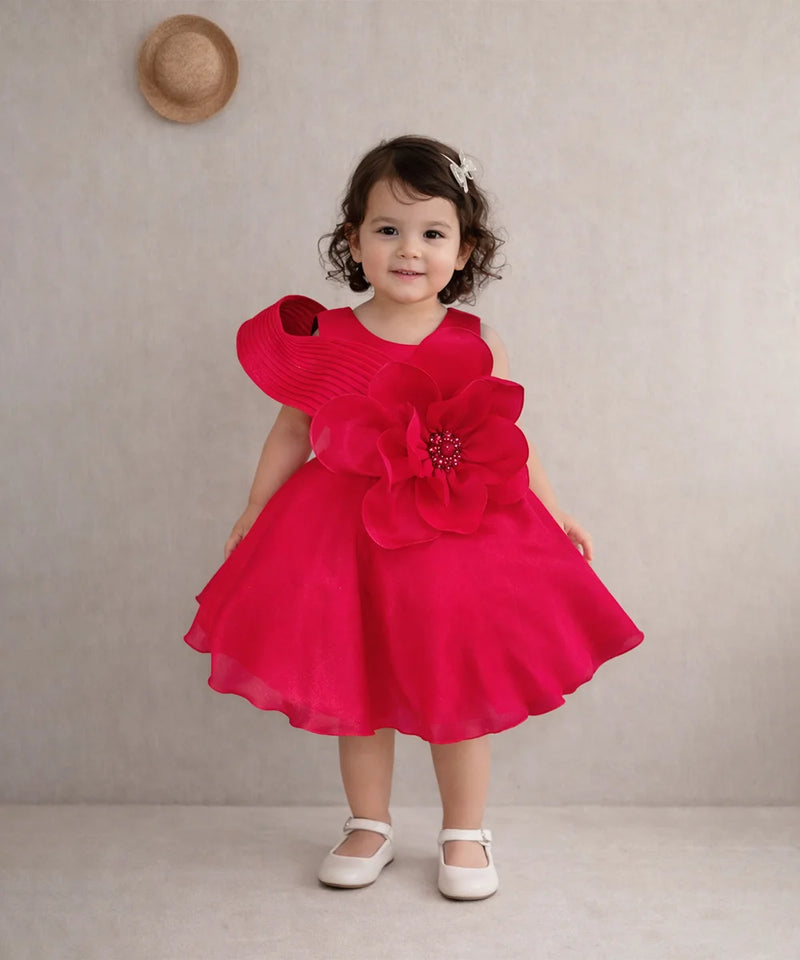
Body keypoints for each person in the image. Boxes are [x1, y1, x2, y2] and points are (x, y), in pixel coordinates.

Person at [184, 134, 645, 900]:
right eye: (388, 230)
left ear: (464, 251)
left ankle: (465, 830)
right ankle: (369, 822)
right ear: (354, 242)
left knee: (457, 682)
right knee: (358, 685)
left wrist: (557, 511)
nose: (409, 250)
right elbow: (294, 429)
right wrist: (257, 506)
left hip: (453, 542)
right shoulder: (328, 341)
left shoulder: (475, 342)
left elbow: (507, 442)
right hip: (346, 538)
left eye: (432, 233)